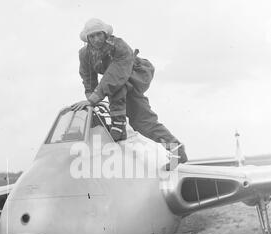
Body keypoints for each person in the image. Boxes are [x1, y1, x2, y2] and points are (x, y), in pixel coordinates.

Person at [72, 18, 188, 163]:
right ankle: (176, 149)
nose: (96, 39)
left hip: (135, 74)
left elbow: (115, 76)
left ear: (105, 34)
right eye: (92, 36)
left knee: (123, 93)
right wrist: (90, 101)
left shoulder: (118, 46)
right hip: (117, 83)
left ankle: (119, 126)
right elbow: (88, 78)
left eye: (99, 35)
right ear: (87, 39)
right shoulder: (85, 54)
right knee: (141, 122)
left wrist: (93, 98)